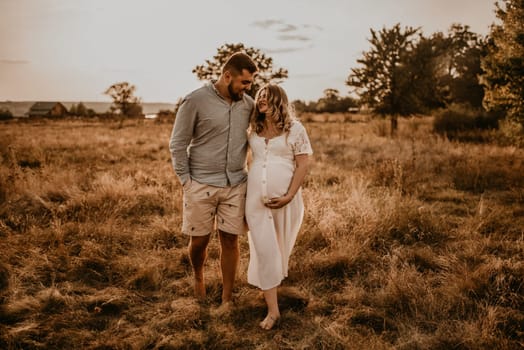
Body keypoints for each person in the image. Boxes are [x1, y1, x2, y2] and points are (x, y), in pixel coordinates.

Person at [169, 52, 257, 306]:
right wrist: (186, 181)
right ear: (227, 76)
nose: (248, 88)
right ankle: (198, 276)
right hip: (201, 184)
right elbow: (178, 144)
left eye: (250, 83)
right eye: (244, 82)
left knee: (230, 239)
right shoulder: (195, 100)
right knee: (200, 241)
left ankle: (227, 297)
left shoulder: (248, 105)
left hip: (236, 184)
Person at [245, 84, 313, 330]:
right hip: (255, 202)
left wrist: (289, 195)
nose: (261, 99)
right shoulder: (254, 129)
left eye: (266, 96)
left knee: (279, 249)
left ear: (278, 100)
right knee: (265, 251)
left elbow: (303, 165)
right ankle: (273, 312)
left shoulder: (295, 129)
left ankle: (272, 286)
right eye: (259, 96)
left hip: (287, 202)